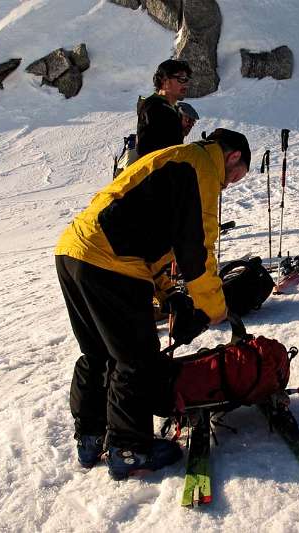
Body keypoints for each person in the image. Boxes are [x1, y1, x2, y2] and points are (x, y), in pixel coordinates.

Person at [55, 128, 251, 480]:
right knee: (136, 358)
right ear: (233, 156)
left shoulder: (173, 158)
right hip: (110, 261)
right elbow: (197, 245)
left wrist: (168, 293)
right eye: (237, 177)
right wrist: (211, 308)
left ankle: (90, 437)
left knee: (98, 352)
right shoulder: (203, 167)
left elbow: (152, 235)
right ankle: (129, 449)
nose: (230, 185)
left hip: (74, 252)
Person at [135, 59, 192, 158]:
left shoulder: (167, 107)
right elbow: (161, 151)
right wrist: (178, 128)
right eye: (182, 79)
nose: (186, 84)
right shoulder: (155, 107)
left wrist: (180, 130)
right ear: (165, 81)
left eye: (187, 79)